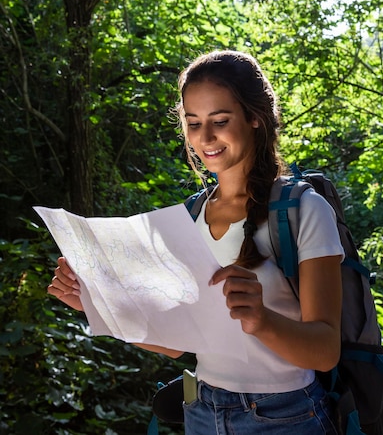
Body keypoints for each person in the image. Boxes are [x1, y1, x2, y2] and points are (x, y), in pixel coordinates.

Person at [48, 50, 344, 434]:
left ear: (255, 117)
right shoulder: (188, 217)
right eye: (193, 123)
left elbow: (325, 351)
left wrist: (262, 319)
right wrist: (94, 303)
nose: (205, 138)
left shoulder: (304, 210)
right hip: (203, 411)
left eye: (220, 120)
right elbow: (173, 345)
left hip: (287, 416)